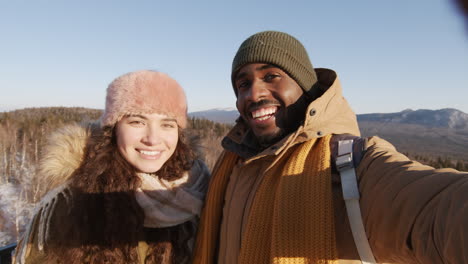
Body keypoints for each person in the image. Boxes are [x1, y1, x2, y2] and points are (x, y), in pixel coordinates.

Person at [192, 31, 468, 264]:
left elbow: (434, 212)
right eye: (243, 84)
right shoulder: (234, 164)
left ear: (304, 87)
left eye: (272, 76)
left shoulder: (349, 163)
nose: (253, 93)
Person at [14, 70, 210, 264]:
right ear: (114, 129)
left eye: (167, 125)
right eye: (137, 122)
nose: (152, 139)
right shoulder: (72, 200)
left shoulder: (197, 191)